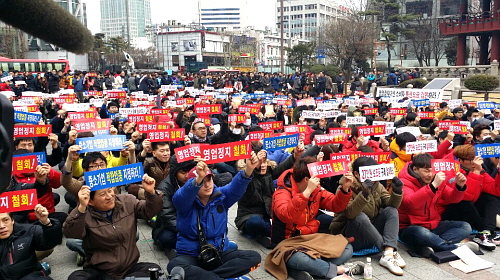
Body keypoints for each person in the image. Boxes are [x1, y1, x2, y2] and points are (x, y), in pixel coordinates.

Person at [166, 153, 262, 280]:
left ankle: (209, 278)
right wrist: (197, 179)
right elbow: (181, 197)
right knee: (174, 266)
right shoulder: (185, 203)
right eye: (202, 182)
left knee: (254, 257)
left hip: (218, 252)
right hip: (191, 255)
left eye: (209, 179)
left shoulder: (221, 195)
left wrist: (249, 169)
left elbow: (235, 188)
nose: (207, 185)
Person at [270, 156, 363, 279]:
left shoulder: (316, 190)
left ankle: (316, 268)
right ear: (307, 179)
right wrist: (306, 193)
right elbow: (286, 215)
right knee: (297, 258)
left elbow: (335, 205)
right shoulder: (282, 192)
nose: (319, 180)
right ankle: (340, 270)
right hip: (288, 244)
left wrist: (345, 188)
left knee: (346, 247)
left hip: (310, 240)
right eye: (316, 178)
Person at [64, 174, 163, 279]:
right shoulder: (85, 214)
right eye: (102, 194)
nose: (109, 196)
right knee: (76, 277)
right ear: (90, 201)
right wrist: (81, 208)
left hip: (129, 268)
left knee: (154, 270)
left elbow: (149, 211)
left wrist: (151, 193)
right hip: (100, 271)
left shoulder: (127, 201)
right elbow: (71, 233)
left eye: (110, 190)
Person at [330, 157, 405, 276]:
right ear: (356, 174)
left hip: (372, 233)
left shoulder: (377, 185)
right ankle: (387, 251)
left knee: (391, 211)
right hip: (351, 235)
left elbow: (390, 205)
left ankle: (389, 252)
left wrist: (397, 192)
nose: (373, 179)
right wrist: (364, 194)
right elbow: (350, 214)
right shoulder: (344, 187)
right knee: (359, 216)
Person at [398, 153, 478, 257]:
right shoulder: (404, 182)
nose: (430, 174)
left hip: (433, 225)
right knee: (422, 233)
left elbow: (453, 198)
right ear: (415, 169)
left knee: (465, 227)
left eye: (432, 170)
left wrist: (459, 186)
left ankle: (433, 245)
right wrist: (432, 186)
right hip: (410, 227)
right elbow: (411, 203)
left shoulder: (437, 180)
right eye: (426, 171)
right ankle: (454, 248)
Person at [440, 145, 500, 249]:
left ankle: (486, 232)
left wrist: (499, 170)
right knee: (464, 202)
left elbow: (495, 190)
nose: (474, 162)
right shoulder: (451, 171)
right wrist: (476, 173)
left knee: (490, 197)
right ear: (460, 160)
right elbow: (467, 197)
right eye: (471, 159)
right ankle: (483, 231)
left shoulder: (478, 169)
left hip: (470, 210)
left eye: (476, 159)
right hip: (450, 212)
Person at [0, 206, 62, 280]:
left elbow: (49, 243)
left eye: (5, 220)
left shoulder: (28, 231)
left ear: (12, 220)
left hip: (28, 276)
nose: (2, 226)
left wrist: (47, 223)